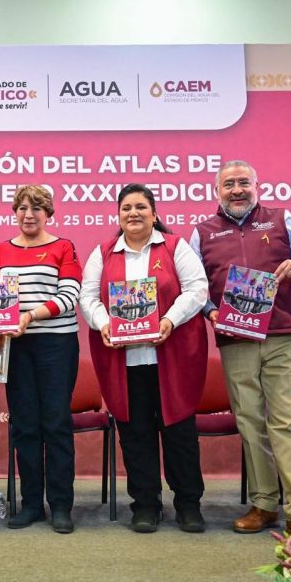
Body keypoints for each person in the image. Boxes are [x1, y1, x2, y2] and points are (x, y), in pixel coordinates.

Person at [189, 160, 291, 535]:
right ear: (217, 191)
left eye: (243, 182)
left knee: (284, 421)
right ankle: (264, 504)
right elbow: (197, 288)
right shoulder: (202, 232)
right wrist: (211, 312)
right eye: (228, 184)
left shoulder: (282, 219)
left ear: (256, 185)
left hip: (282, 333)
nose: (237, 190)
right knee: (249, 422)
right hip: (235, 337)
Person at [79, 184, 209, 533]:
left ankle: (188, 504)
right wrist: (104, 324)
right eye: (126, 208)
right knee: (135, 433)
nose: (133, 213)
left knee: (179, 430)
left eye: (140, 207)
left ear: (154, 213)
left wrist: (169, 319)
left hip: (172, 356)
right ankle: (146, 505)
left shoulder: (175, 246)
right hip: (123, 359)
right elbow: (87, 296)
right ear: (118, 215)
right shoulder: (103, 253)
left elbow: (197, 289)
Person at [0, 185, 82, 534]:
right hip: (16, 348)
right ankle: (30, 504)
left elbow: (70, 294)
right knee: (24, 424)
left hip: (56, 344)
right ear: (15, 211)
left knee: (56, 422)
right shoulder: (0, 251)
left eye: (37, 208)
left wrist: (30, 316)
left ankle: (60, 505)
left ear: (49, 213)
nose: (29, 214)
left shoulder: (63, 247)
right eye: (23, 207)